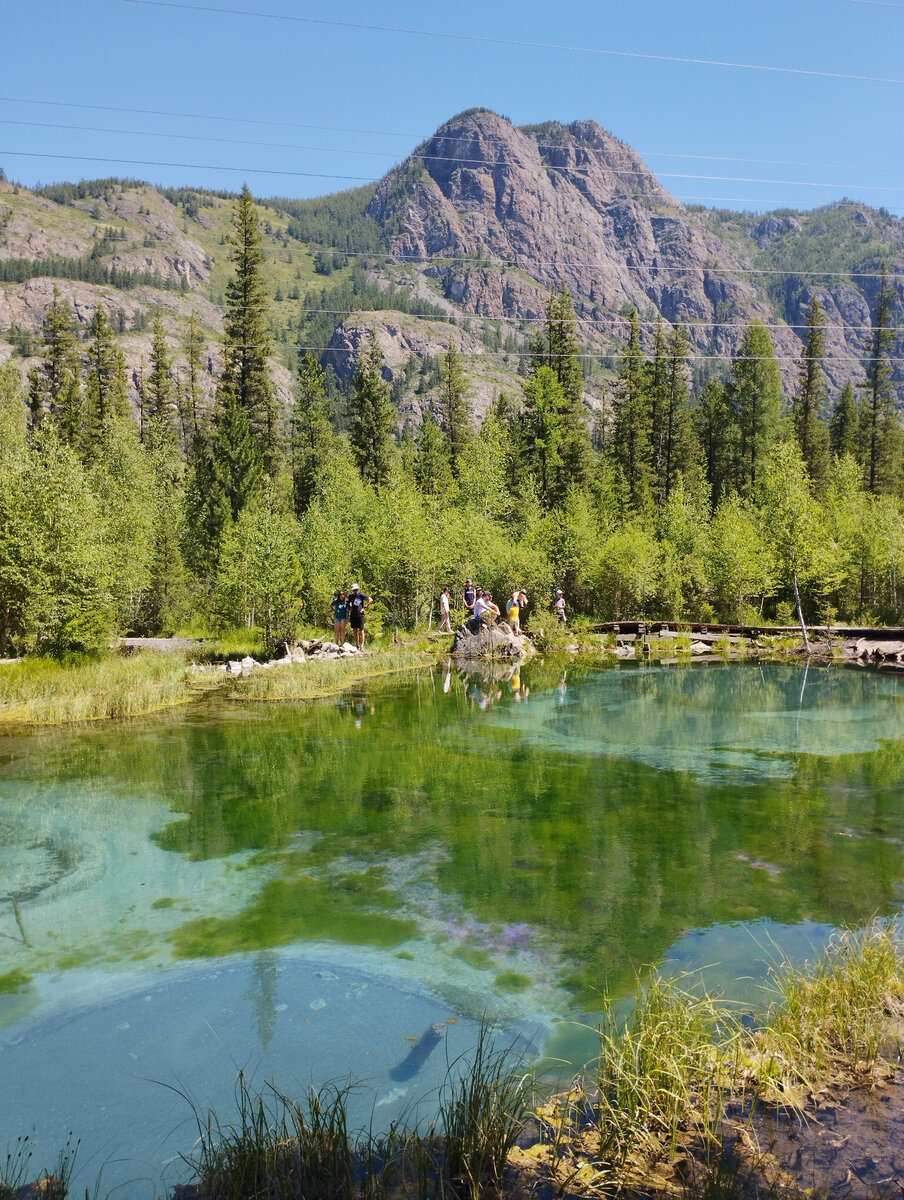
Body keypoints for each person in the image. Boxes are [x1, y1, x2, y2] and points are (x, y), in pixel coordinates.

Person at [348, 583, 372, 649]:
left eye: (356, 589)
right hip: (353, 614)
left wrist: (365, 607)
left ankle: (362, 645)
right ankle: (356, 644)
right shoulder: (350, 596)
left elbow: (370, 599)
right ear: (352, 590)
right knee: (354, 630)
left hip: (360, 615)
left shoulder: (361, 595)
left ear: (357, 589)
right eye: (354, 590)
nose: (355, 591)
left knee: (361, 630)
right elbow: (349, 603)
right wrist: (350, 607)